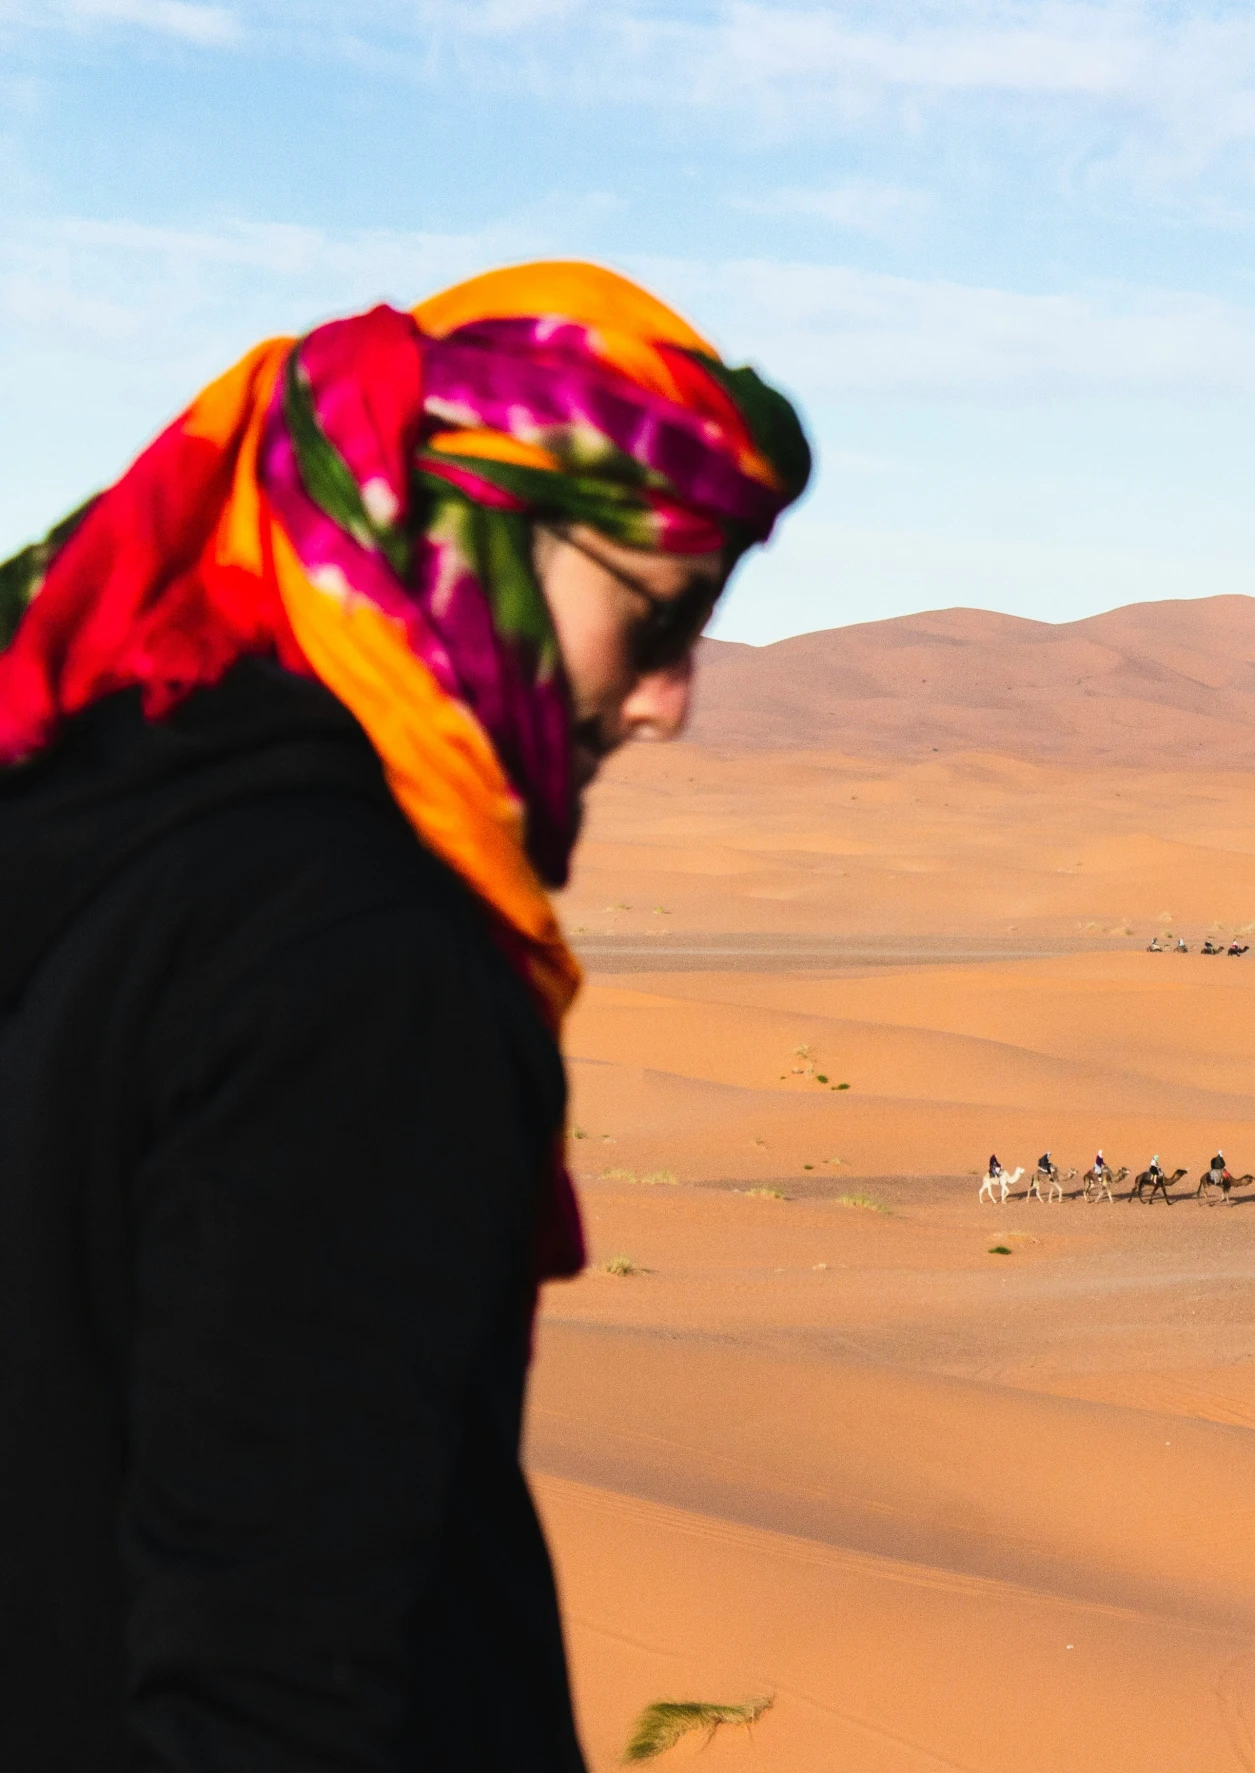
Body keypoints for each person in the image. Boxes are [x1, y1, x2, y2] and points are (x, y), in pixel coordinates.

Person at [0, 262, 810, 1771]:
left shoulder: (104, 835)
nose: (669, 701)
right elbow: (273, 1677)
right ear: (452, 534)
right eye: (663, 613)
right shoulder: (364, 961)